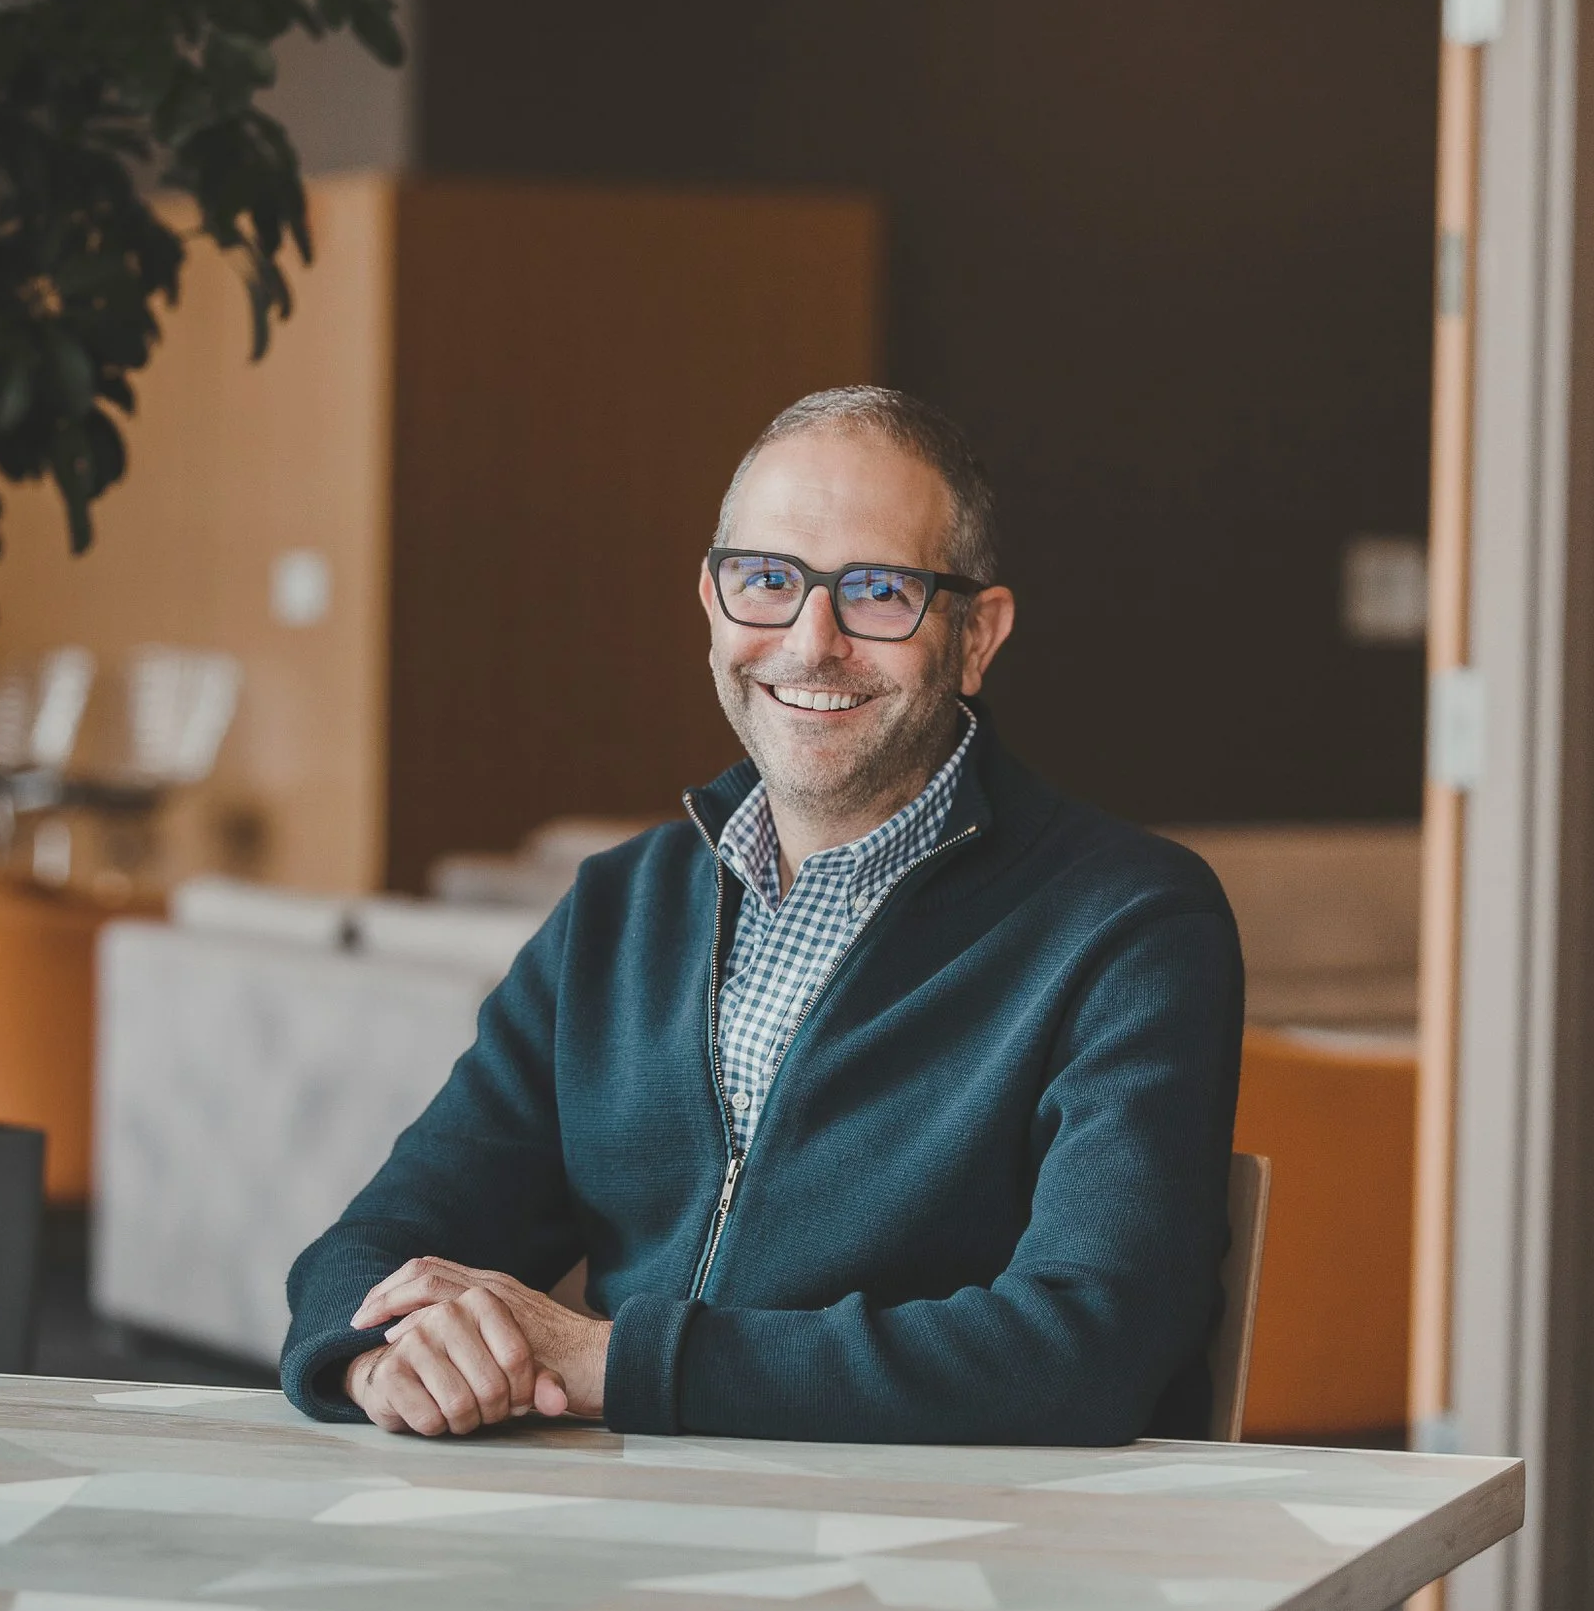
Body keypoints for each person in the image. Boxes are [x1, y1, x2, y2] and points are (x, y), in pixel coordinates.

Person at [281, 386, 1243, 1445]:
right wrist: (387, 1357)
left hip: (964, 1560)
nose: (810, 639)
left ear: (977, 636)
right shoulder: (619, 906)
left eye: (878, 591)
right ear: (711, 605)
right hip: (631, 1538)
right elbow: (378, 1240)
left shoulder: (1128, 923)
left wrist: (611, 1361)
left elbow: (1085, 1347)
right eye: (768, 582)